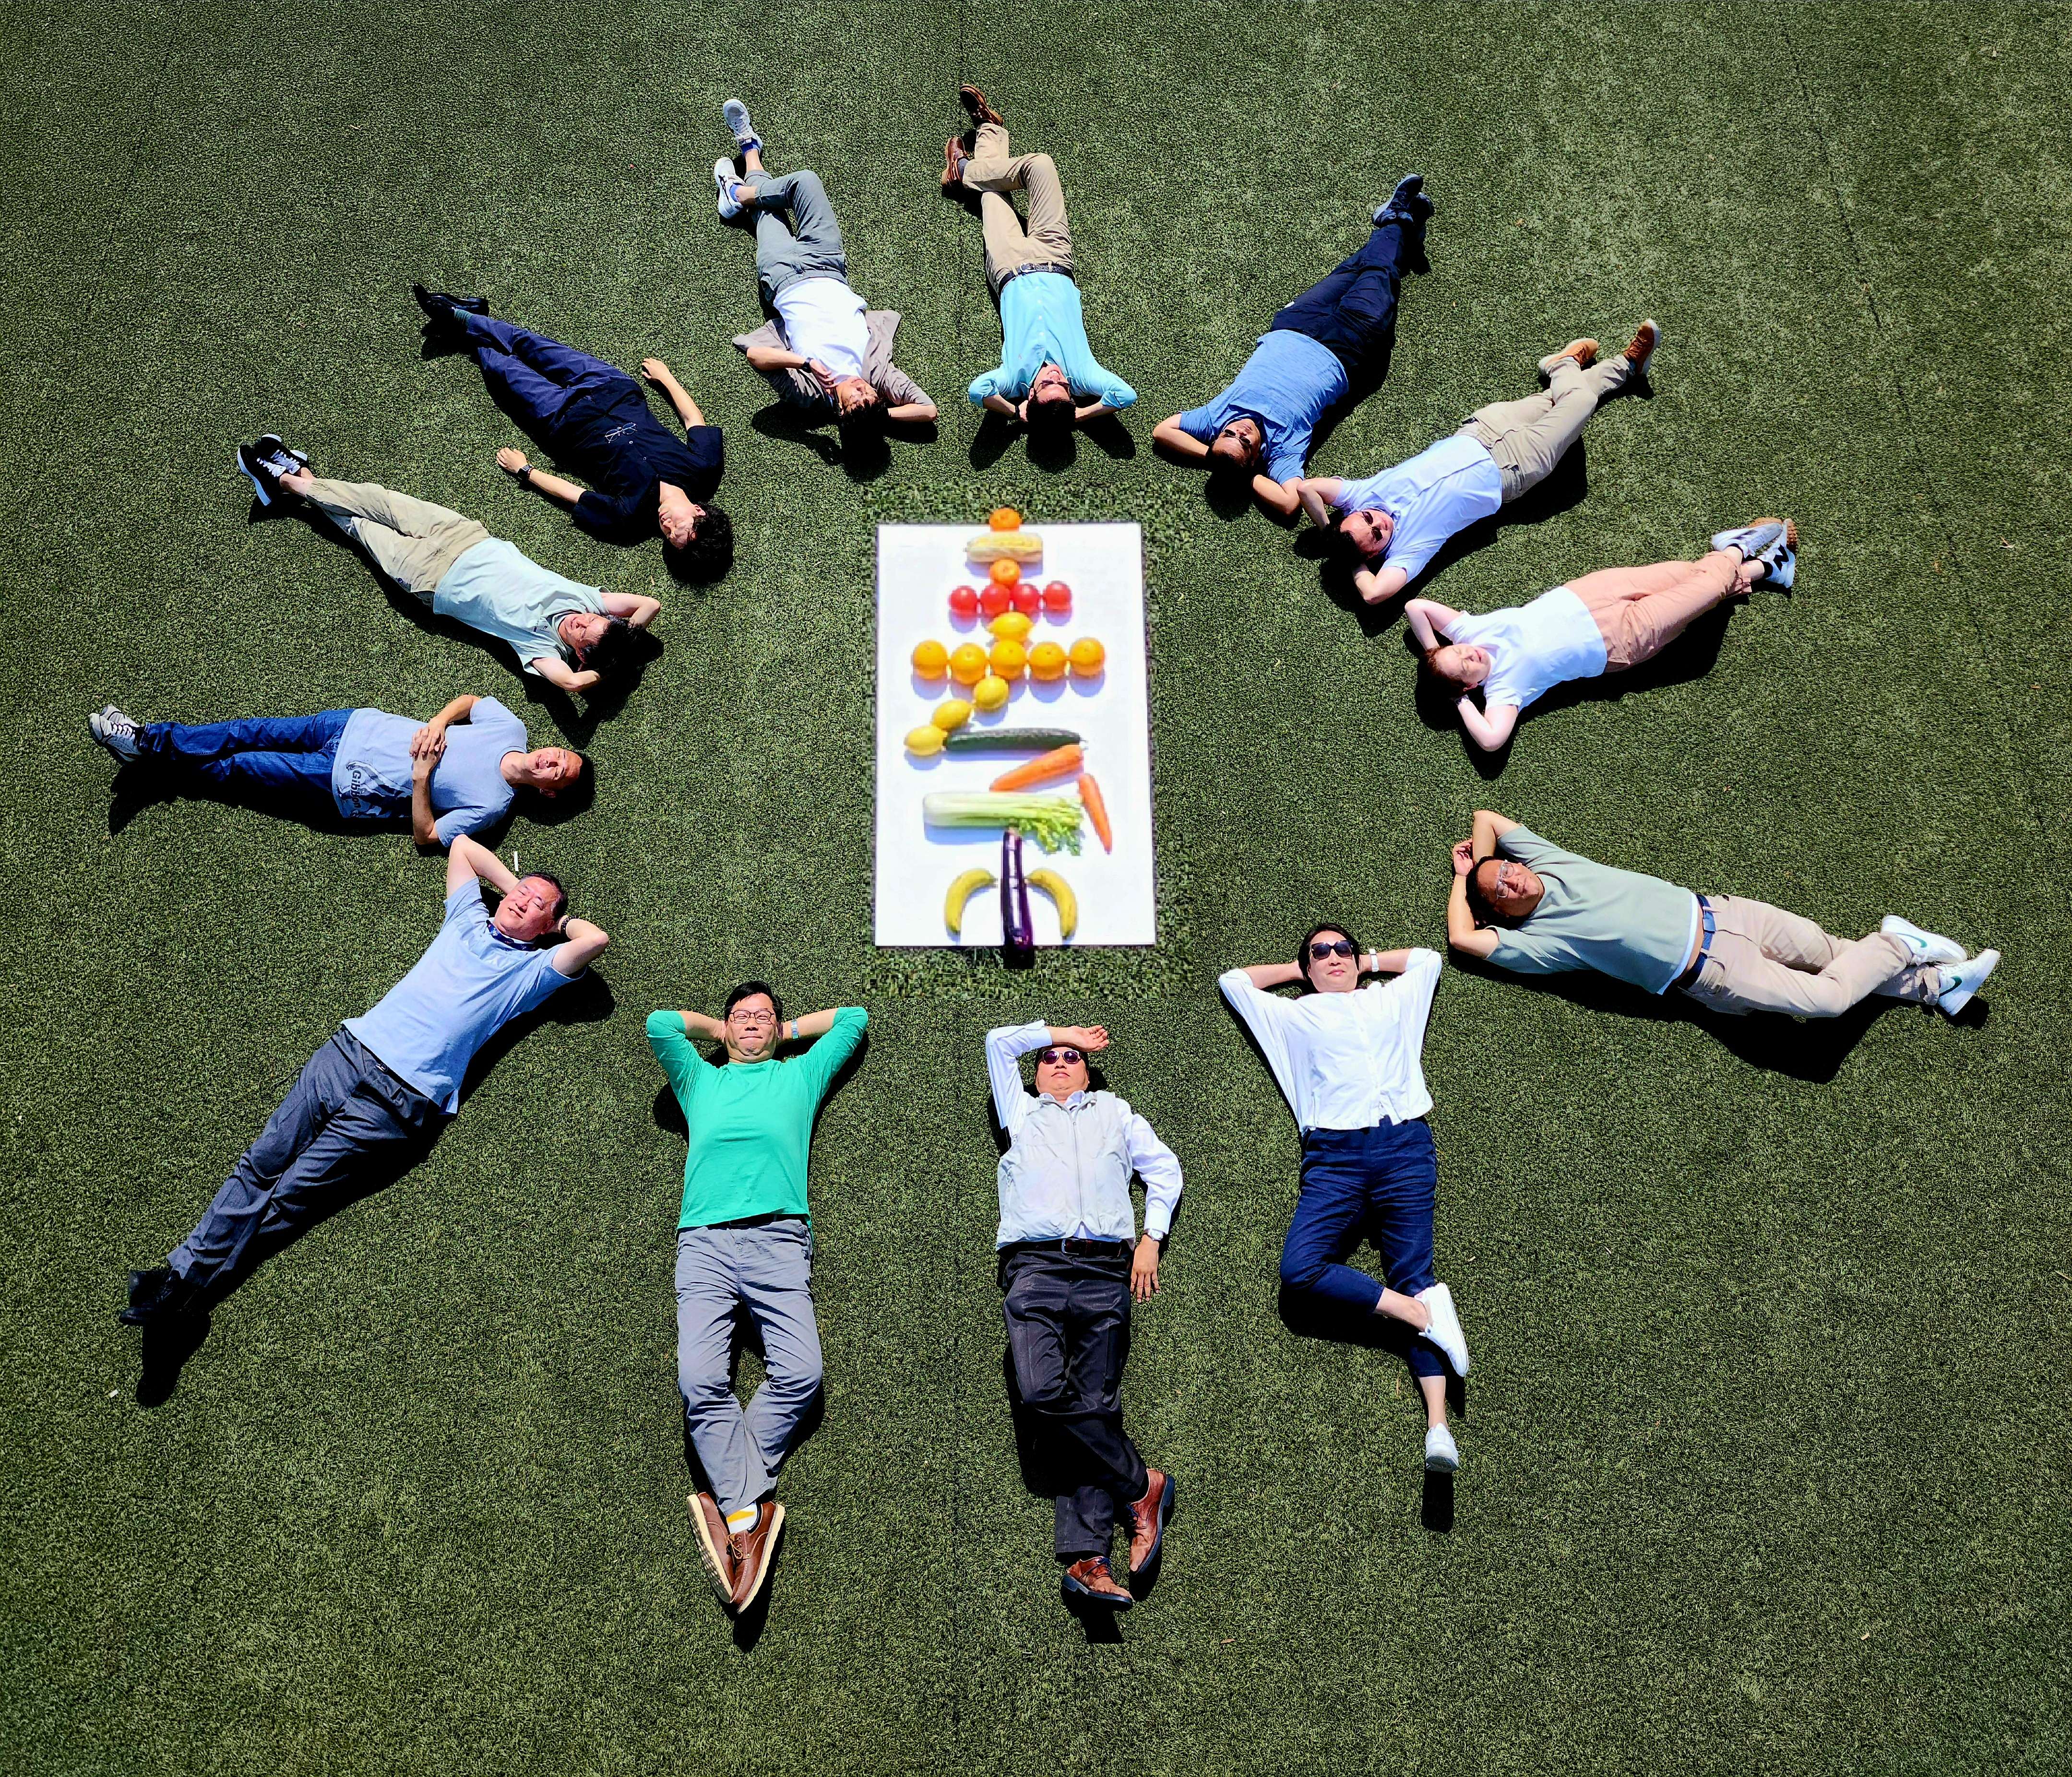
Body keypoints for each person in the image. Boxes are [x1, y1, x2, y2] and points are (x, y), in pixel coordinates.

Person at [118, 837, 607, 1327]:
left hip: (400, 1100)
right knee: (261, 1162)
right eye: (521, 891)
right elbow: (462, 848)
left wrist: (558, 922)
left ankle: (187, 1289)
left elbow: (594, 941)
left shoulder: (530, 972)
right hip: (347, 1054)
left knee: (291, 1194)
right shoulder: (465, 919)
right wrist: (517, 888)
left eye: (537, 903)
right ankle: (179, 1281)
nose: (522, 900)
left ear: (546, 926)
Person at [646, 986, 868, 1617]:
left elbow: (852, 1018)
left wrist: (788, 1029)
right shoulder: (699, 1080)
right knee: (699, 1380)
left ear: (776, 1028)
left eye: (762, 1017)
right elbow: (660, 1023)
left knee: (802, 1374)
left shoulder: (800, 1077)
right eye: (741, 1016)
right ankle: (747, 1513)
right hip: (704, 1243)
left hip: (779, 1238)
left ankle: (734, 1505)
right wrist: (717, 1030)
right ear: (725, 1027)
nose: (751, 1023)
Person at [1220, 931, 1472, 1478]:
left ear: (1358, 961)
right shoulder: (1293, 1015)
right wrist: (1298, 970)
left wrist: (1370, 962)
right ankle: (1419, 1312)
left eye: (1343, 950)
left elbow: (1428, 959)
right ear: (1307, 968)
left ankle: (1438, 1426)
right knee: (1300, 1270)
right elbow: (1234, 981)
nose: (1333, 957)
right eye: (1320, 952)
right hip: (1333, 1157)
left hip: (1404, 1145)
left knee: (1415, 1273)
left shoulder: (1391, 998)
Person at [983, 1021, 1182, 1612]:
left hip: (1105, 1269)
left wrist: (1151, 1238)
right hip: (1035, 1266)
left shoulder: (1116, 1112)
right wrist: (1063, 1029)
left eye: (1072, 1055)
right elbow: (997, 1042)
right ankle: (1141, 1484)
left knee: (1095, 1407)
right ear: (1035, 1073)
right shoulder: (1021, 1111)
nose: (1061, 1061)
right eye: (1050, 1056)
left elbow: (1164, 1169)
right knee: (1041, 1391)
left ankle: (1088, 1559)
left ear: (1089, 1071)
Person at [1447, 809, 2001, 1019]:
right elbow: (1463, 940)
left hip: (1729, 912)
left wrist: (1479, 863)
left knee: (1839, 956)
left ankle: (1937, 988)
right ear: (1499, 908)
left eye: (1508, 868)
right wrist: (1465, 881)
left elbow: (1485, 817)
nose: (1512, 877)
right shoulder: (1540, 939)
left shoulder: (1550, 861)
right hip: (1715, 971)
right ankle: (1899, 942)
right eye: (1501, 889)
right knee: (1829, 999)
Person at [233, 435, 662, 693]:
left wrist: (602, 670)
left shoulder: (543, 650)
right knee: (376, 498)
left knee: (359, 526)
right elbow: (650, 605)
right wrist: (625, 639)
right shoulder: (585, 600)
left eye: (584, 634)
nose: (582, 622)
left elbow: (570, 683)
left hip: (430, 578)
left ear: (581, 654)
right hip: (464, 537)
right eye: (594, 621)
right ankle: (295, 480)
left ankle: (283, 478)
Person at [1292, 326, 1663, 604]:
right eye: (1376, 537)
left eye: (1368, 520)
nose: (1379, 524)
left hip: (1484, 429)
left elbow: (1308, 488)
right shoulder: (1406, 550)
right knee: (1579, 402)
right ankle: (1567, 364)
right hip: (1514, 469)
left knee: (1559, 401)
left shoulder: (1362, 496)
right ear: (1376, 553)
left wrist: (1329, 533)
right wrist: (1352, 562)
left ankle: (1625, 366)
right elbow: (1373, 594)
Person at [1153, 176, 1433, 516]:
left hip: (1295, 325)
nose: (1240, 432)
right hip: (1348, 345)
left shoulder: (1215, 420)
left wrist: (1212, 457)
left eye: (1230, 435)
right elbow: (1289, 503)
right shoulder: (1282, 453)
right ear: (1256, 458)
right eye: (1245, 443)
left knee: (1356, 268)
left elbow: (1162, 431)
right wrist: (1245, 475)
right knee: (1379, 272)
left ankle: (1402, 231)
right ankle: (1398, 218)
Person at [407, 290, 732, 576]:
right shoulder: (704, 470)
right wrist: (666, 377)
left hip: (564, 420)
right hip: (612, 388)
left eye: (669, 536)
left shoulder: (629, 518)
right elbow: (692, 419)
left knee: (500, 369)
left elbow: (575, 494)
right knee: (527, 344)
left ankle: (466, 318)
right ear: (699, 512)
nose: (666, 526)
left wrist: (525, 471)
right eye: (678, 526)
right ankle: (458, 316)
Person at [1404, 518, 1797, 752]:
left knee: (1691, 577)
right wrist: (1459, 703)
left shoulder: (1472, 632)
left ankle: (1765, 567)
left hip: (1591, 592)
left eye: (1460, 651)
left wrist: (1434, 650)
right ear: (1470, 686)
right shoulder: (1504, 690)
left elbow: (1415, 607)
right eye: (1464, 667)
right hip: (1621, 640)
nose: (1469, 655)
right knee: (1705, 590)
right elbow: (1491, 741)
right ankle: (1735, 550)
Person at [87, 693, 584, 845]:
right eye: (561, 755)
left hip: (342, 783)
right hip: (354, 725)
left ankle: (145, 753)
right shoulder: (510, 728)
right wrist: (438, 722)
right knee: (245, 731)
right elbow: (471, 702)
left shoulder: (493, 806)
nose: (554, 760)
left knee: (240, 768)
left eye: (559, 773)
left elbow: (427, 837)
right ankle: (147, 744)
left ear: (549, 792)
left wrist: (421, 778)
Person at [714, 101, 937, 440]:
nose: (863, 389)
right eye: (871, 396)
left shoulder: (811, 395)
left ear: (842, 412)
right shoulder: (877, 375)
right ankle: (737, 194)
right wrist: (879, 417)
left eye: (857, 400)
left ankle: (749, 150)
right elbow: (928, 410)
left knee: (770, 215)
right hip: (828, 264)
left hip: (783, 274)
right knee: (805, 182)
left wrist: (805, 364)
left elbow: (756, 356)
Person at [942, 85, 1136, 438]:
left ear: (1031, 396)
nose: (1057, 376)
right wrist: (1080, 416)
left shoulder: (1013, 379)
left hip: (1008, 265)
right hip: (1055, 256)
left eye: (1048, 384)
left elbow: (979, 391)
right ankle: (965, 171)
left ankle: (989, 130)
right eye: (1063, 386)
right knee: (1040, 165)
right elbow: (1125, 395)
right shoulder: (1083, 375)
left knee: (993, 194)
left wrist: (1014, 411)